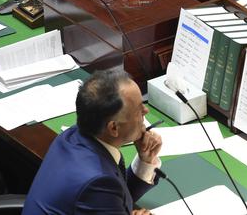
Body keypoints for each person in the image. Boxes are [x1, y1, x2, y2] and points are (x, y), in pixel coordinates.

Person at [23, 70, 162, 214]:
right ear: (114, 127)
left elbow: (113, 200)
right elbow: (104, 195)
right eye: (138, 110)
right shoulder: (97, 182)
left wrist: (145, 160)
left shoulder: (72, 135)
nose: (146, 110)